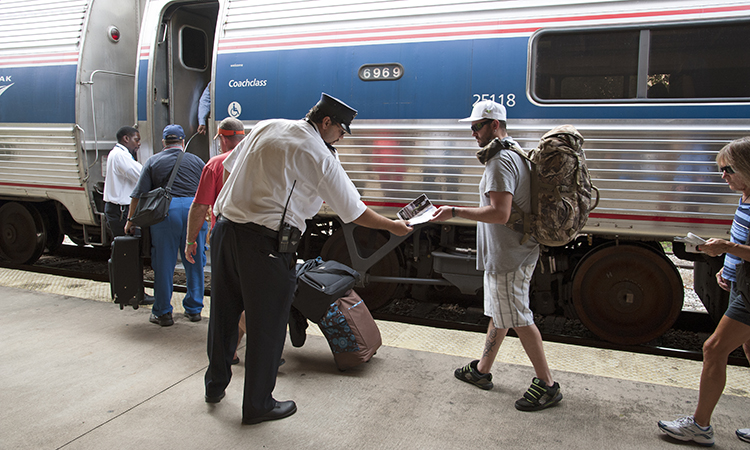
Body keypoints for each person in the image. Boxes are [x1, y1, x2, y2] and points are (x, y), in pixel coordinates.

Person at [204, 93, 412, 425]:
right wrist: (393, 227)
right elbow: (354, 211)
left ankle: (214, 386)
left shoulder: (267, 125)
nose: (342, 138)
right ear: (326, 122)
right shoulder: (317, 152)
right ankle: (258, 404)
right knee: (267, 325)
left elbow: (230, 166)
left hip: (226, 231)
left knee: (225, 312)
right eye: (341, 130)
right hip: (265, 244)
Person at [430, 100, 562, 411]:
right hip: (515, 250)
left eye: (477, 126)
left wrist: (453, 211)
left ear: (495, 125)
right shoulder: (515, 151)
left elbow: (500, 213)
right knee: (502, 312)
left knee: (518, 317)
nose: (473, 132)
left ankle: (548, 384)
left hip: (509, 255)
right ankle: (481, 371)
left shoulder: (500, 161)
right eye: (472, 126)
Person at [658, 137, 750, 447]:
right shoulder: (746, 197)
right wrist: (730, 265)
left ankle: (700, 425)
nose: (723, 176)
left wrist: (726, 248)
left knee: (713, 349)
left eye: (728, 170)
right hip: (742, 284)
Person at [125, 125, 208, 327]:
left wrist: (130, 220)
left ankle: (163, 312)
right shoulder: (197, 161)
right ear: (182, 142)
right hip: (193, 212)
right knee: (195, 261)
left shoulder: (153, 161)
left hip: (165, 213)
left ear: (164, 142)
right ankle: (194, 309)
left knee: (164, 264)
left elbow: (138, 195)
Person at [184, 117, 248, 364]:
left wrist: (191, 241)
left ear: (223, 138)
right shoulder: (252, 160)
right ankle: (232, 349)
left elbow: (200, 206)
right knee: (245, 294)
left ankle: (261, 349)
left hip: (225, 236)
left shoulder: (216, 163)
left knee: (228, 299)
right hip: (255, 236)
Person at [103, 126, 154, 305]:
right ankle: (133, 293)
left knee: (124, 253)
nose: (139, 144)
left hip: (117, 210)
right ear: (126, 138)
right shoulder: (121, 156)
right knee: (129, 254)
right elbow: (141, 175)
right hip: (121, 212)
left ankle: (128, 292)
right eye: (136, 140)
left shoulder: (116, 154)